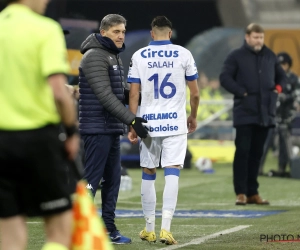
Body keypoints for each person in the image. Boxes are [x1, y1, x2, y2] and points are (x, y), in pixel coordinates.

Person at [0, 1, 80, 250]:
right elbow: (58, 91)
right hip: (38, 140)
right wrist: (71, 131)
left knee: (10, 237)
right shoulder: (44, 28)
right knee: (59, 230)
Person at [127, 16, 199, 245]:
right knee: (172, 171)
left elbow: (133, 93)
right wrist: (193, 116)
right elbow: (195, 93)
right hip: (175, 123)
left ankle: (149, 228)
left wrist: (132, 122)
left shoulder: (139, 55)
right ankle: (166, 229)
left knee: (148, 172)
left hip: (148, 124)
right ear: (170, 33)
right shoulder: (183, 53)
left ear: (152, 33)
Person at [78, 14, 148, 244]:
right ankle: (81, 230)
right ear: (104, 32)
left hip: (110, 129)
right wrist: (133, 120)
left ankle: (108, 229)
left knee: (112, 180)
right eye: (116, 31)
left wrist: (144, 94)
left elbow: (120, 93)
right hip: (96, 129)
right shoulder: (94, 56)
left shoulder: (112, 56)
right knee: (91, 181)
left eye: (123, 31)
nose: (121, 35)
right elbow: (106, 97)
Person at [219, 23, 286, 205]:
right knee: (243, 152)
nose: (259, 41)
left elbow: (282, 76)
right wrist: (241, 92)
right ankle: (240, 192)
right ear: (247, 37)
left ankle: (253, 192)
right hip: (245, 112)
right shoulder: (236, 56)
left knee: (257, 154)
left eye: (261, 37)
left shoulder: (270, 55)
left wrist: (277, 89)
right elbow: (224, 78)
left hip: (265, 113)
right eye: (256, 37)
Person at [273, 52, 300, 175]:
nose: (282, 67)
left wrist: (287, 98)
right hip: (275, 115)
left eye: (284, 64)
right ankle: (280, 167)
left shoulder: (294, 79)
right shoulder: (274, 78)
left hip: (290, 117)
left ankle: (293, 167)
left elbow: (297, 95)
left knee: (287, 143)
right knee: (277, 143)